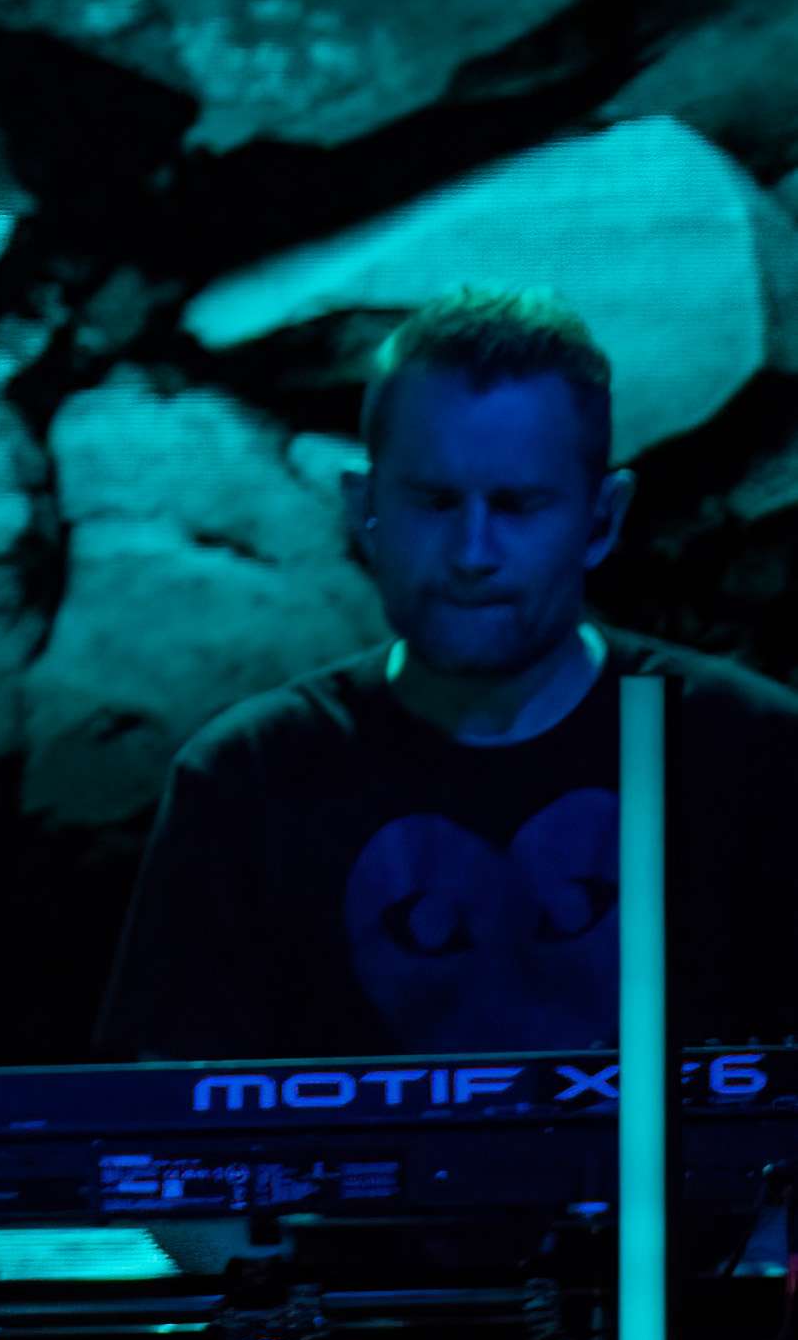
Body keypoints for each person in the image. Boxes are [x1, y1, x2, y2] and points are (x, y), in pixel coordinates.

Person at [99, 284, 798, 1060]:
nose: (472, 554)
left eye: (519, 505)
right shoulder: (247, 779)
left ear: (601, 521)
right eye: (433, 502)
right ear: (365, 509)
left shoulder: (756, 753)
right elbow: (164, 1121)